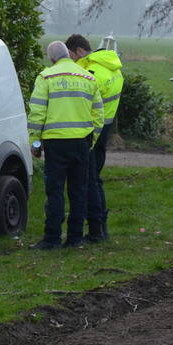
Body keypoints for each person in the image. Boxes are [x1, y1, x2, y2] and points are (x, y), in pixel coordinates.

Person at [27, 41, 104, 249]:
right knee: (79, 191)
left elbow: (37, 114)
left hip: (56, 143)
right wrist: (91, 140)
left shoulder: (46, 77)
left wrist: (35, 142)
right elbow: (98, 114)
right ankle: (75, 238)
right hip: (82, 142)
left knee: (55, 191)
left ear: (52, 58)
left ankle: (52, 238)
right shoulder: (88, 77)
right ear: (68, 55)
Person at [65, 34, 124, 243]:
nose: (70, 60)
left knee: (89, 180)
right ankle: (100, 228)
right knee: (95, 179)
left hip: (91, 131)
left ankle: (97, 229)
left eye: (71, 55)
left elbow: (83, 103)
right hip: (105, 127)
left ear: (79, 51)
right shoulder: (111, 67)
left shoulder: (91, 72)